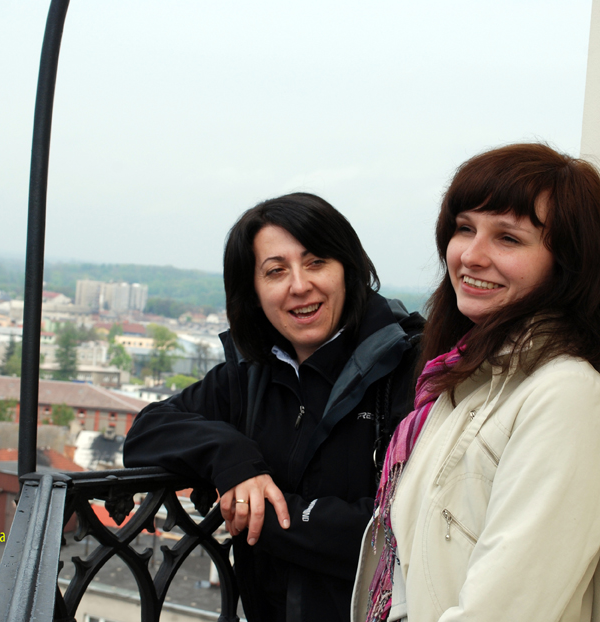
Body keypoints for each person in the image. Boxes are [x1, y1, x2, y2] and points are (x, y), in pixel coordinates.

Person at [352, 144, 600, 622]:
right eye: (464, 229)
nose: (471, 256)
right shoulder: (464, 382)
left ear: (566, 262)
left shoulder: (566, 398)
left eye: (508, 238)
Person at [123, 192, 424, 622]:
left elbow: (405, 528)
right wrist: (233, 460)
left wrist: (260, 516)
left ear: (348, 270)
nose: (299, 286)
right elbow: (146, 431)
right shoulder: (252, 374)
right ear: (253, 290)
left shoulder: (409, 366)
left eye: (316, 262)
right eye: (276, 271)